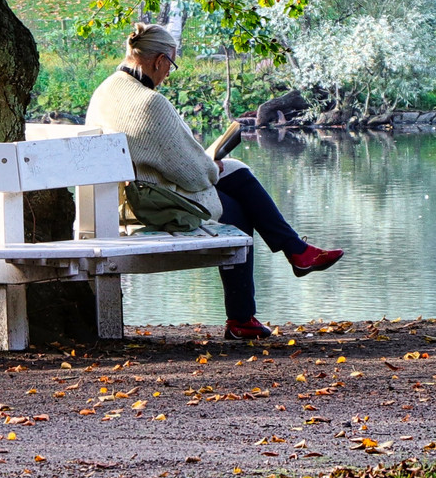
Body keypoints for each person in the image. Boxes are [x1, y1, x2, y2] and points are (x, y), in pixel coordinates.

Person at [86, 23, 342, 340]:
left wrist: (210, 165)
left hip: (122, 201)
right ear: (159, 61)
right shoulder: (149, 103)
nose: (168, 75)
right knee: (238, 204)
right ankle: (254, 303)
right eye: (171, 65)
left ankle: (291, 259)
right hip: (153, 207)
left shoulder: (107, 90)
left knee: (235, 181)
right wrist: (212, 164)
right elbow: (194, 174)